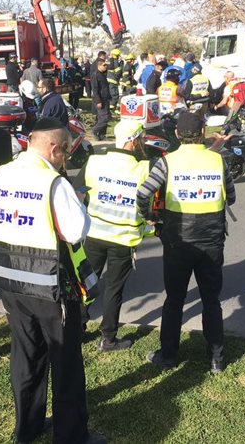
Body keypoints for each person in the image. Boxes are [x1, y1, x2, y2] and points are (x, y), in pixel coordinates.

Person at [0, 117, 106, 444]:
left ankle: (28, 426)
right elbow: (75, 231)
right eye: (66, 150)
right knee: (66, 364)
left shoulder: (2, 172)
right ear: (54, 148)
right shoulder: (54, 183)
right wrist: (79, 204)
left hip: (10, 282)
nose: (66, 156)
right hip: (49, 287)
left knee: (26, 356)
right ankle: (71, 436)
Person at [137, 112, 236, 373]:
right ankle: (216, 359)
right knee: (211, 300)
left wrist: (150, 216)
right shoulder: (218, 160)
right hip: (212, 240)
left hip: (177, 242)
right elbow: (232, 196)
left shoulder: (167, 162)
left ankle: (168, 356)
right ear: (202, 133)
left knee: (175, 299)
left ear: (178, 135)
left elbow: (143, 192)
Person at [75, 120, 149, 352]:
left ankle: (76, 329)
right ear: (133, 141)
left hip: (94, 234)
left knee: (86, 283)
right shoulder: (143, 168)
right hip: (124, 240)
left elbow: (77, 194)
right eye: (140, 139)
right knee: (113, 289)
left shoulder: (94, 161)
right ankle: (108, 338)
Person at [91, 60, 111, 141]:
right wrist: (98, 101)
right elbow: (95, 90)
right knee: (106, 117)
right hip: (100, 100)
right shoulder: (96, 75)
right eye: (104, 65)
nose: (106, 67)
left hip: (105, 99)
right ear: (99, 66)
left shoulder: (102, 74)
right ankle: (95, 130)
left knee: (102, 117)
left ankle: (102, 135)